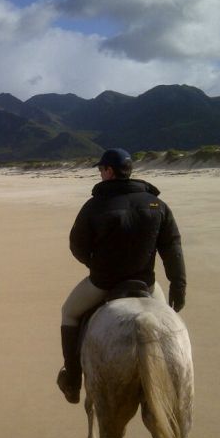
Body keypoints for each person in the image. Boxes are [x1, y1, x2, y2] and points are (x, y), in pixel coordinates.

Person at [57, 148, 186, 404]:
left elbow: (77, 246)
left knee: (69, 313)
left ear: (109, 171)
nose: (100, 174)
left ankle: (72, 379)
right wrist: (178, 283)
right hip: (146, 284)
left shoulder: (95, 205)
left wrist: (96, 266)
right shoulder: (157, 204)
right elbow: (171, 245)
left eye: (101, 169)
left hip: (104, 283)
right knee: (167, 324)